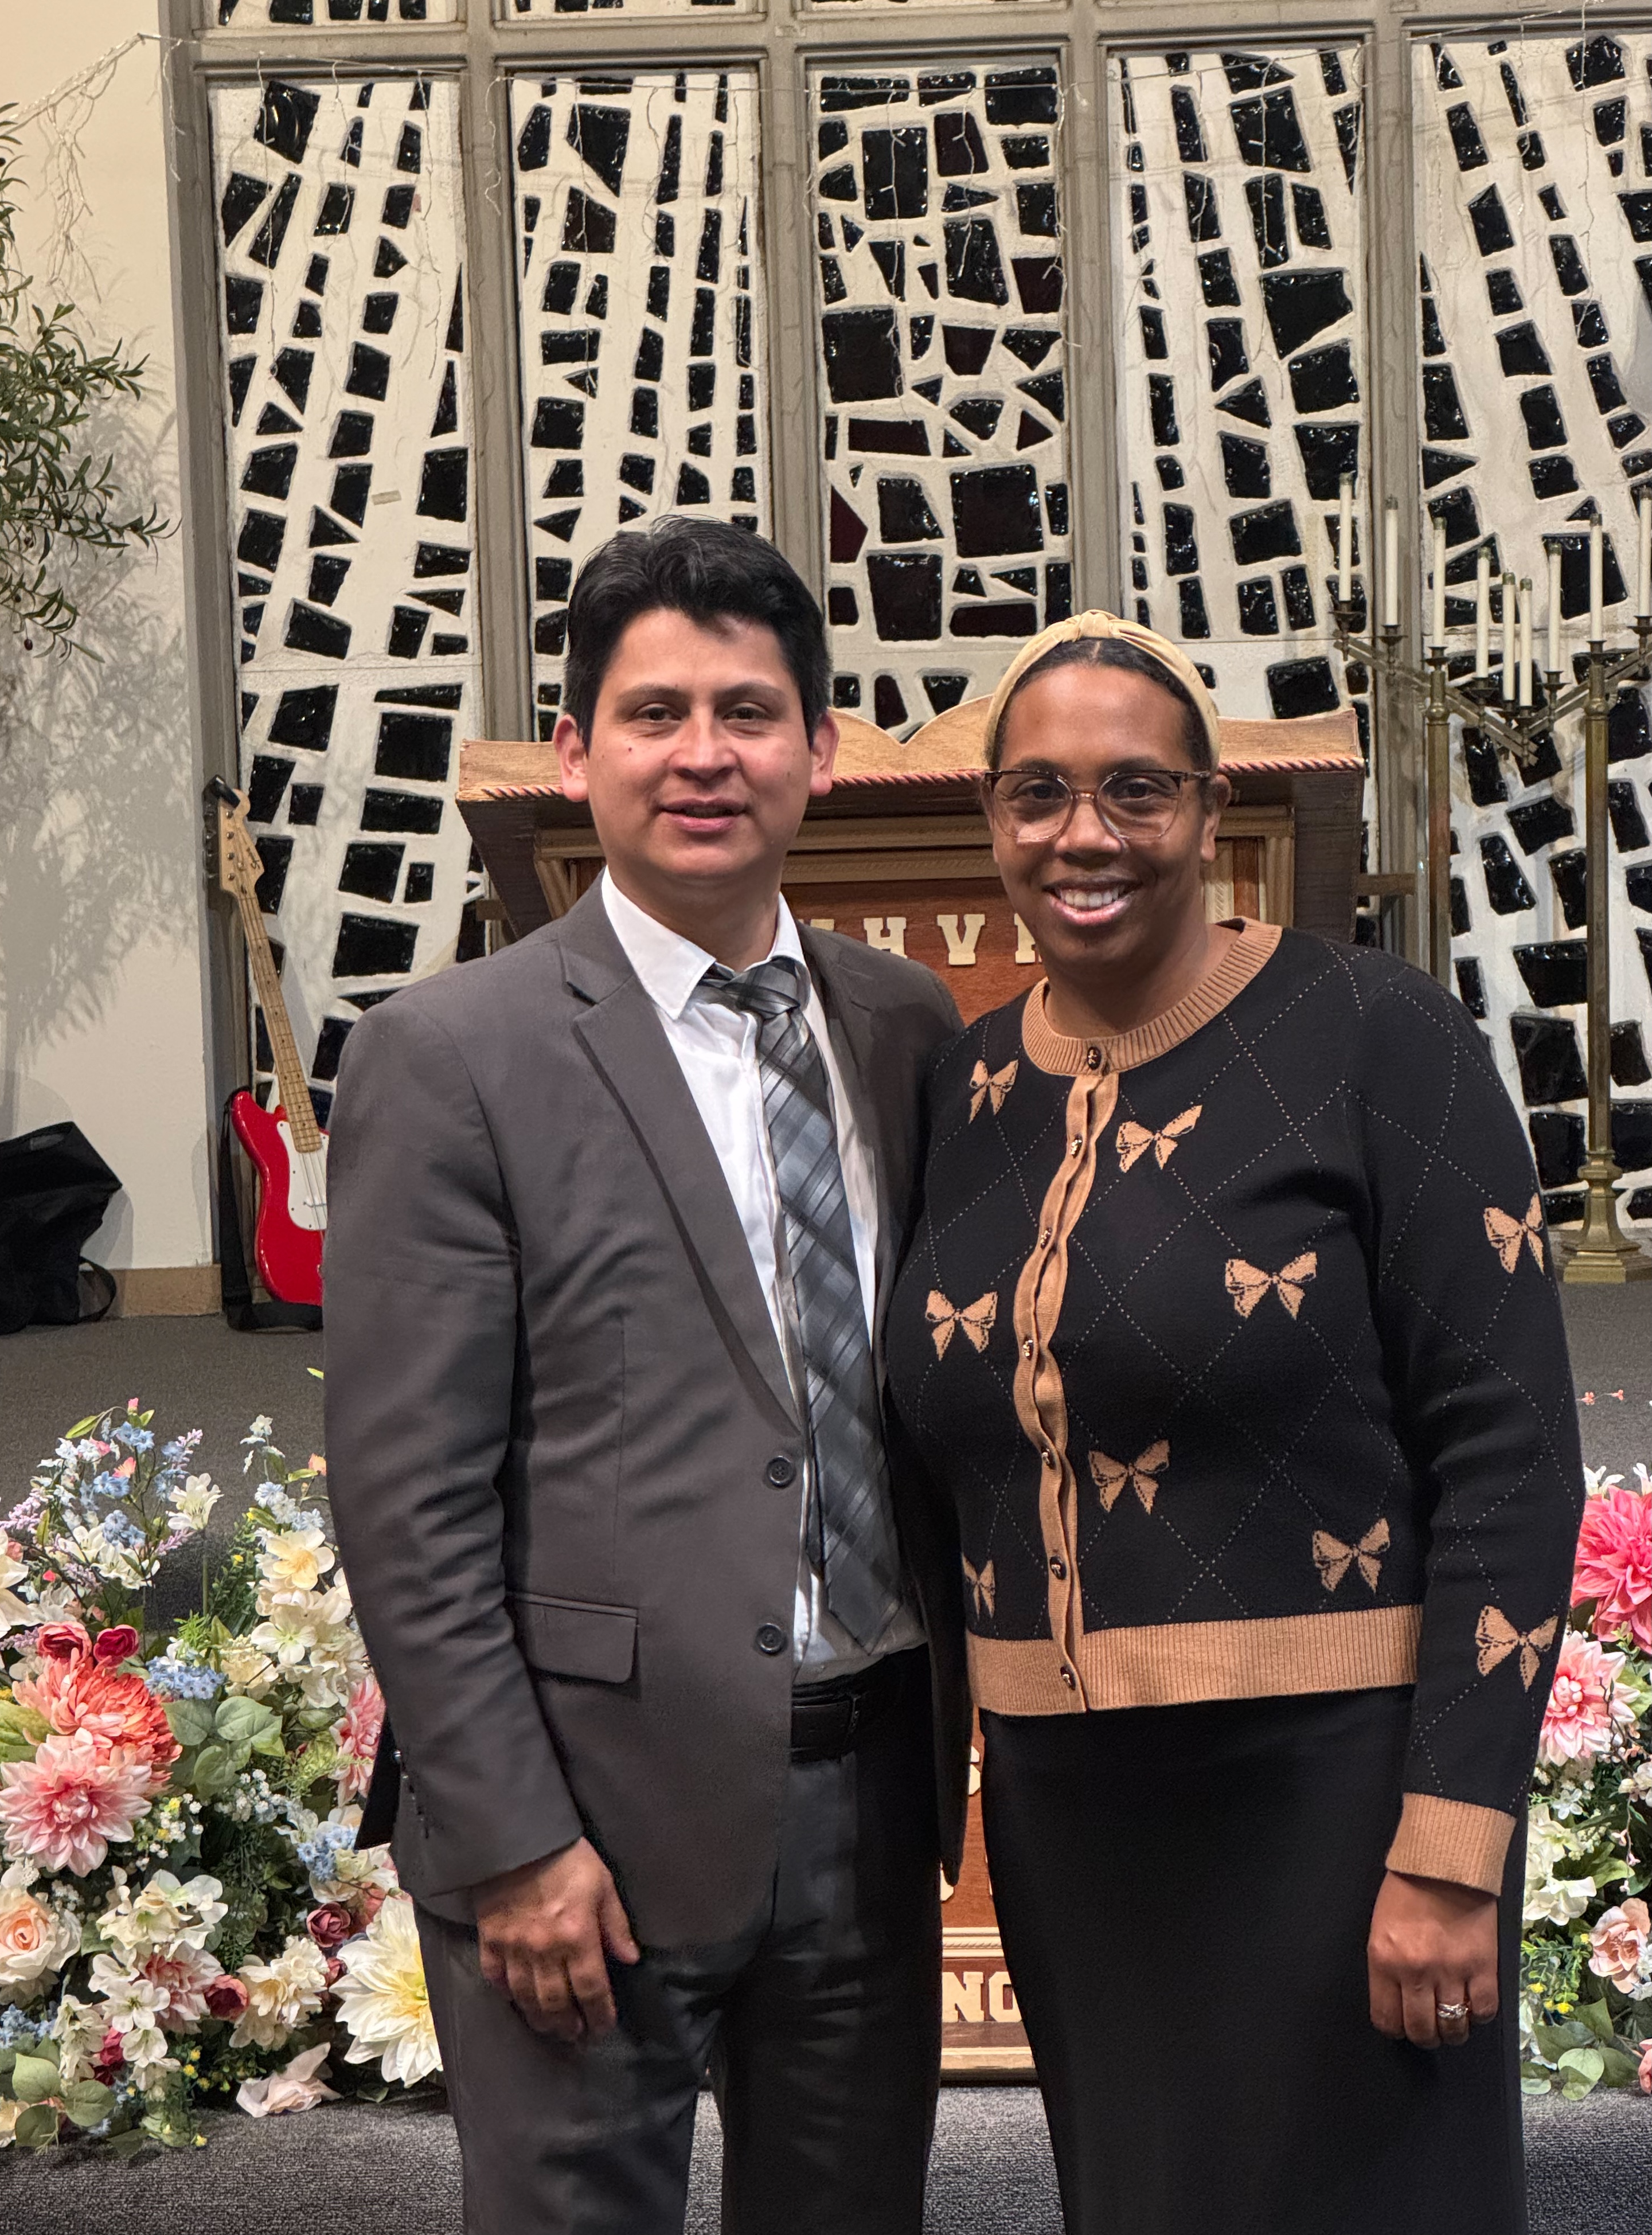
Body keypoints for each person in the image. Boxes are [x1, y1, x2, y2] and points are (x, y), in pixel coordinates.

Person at [884, 609, 1584, 2235]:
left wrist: (1447, 1846)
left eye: (1135, 790)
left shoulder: (1370, 1032)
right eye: (1037, 792)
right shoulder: (966, 1086)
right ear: (989, 816)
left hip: (1327, 1804)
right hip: (1072, 1813)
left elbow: (1510, 1452)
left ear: (1208, 811)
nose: (1084, 834)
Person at [324, 517, 969, 2235]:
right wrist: (516, 1837)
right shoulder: (452, 1055)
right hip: (584, 1809)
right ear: (574, 752)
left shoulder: (903, 1026)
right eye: (655, 711)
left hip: (869, 1772)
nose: (705, 754)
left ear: (819, 752)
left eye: (750, 712)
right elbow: (406, 1496)